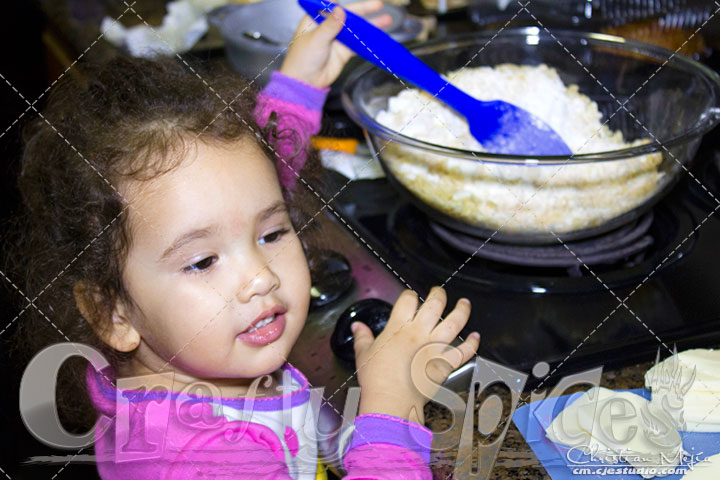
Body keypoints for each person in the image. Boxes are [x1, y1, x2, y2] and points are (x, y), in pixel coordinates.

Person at [10, 1, 480, 478]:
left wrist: (297, 90)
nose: (260, 275)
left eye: (273, 233)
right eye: (202, 262)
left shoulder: (175, 352)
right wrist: (389, 414)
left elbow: (245, 194)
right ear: (113, 314)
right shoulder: (205, 460)